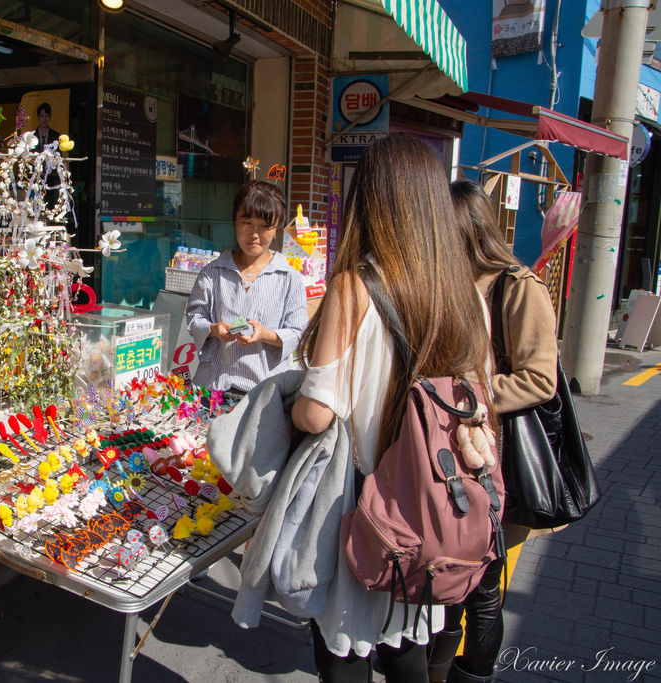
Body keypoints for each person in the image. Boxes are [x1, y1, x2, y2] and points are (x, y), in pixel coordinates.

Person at [290, 136, 494, 682]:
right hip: (432, 499)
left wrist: (290, 403)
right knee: (407, 643)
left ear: (370, 199)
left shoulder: (354, 288)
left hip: (367, 501)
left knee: (347, 653)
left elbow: (316, 415)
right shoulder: (465, 293)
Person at [425, 178, 558, 683]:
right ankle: (437, 667)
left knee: (484, 590)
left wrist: (467, 396)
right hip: (451, 459)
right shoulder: (448, 285)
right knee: (449, 579)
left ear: (466, 229)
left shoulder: (518, 286)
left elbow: (540, 378)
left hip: (501, 463)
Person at [185, 180, 307, 395]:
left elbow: (298, 333)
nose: (254, 233)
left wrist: (265, 334)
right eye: (247, 222)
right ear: (235, 221)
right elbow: (194, 319)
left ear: (277, 228)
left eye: (265, 225)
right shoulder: (213, 273)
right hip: (214, 389)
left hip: (265, 394)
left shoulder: (290, 278)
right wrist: (214, 330)